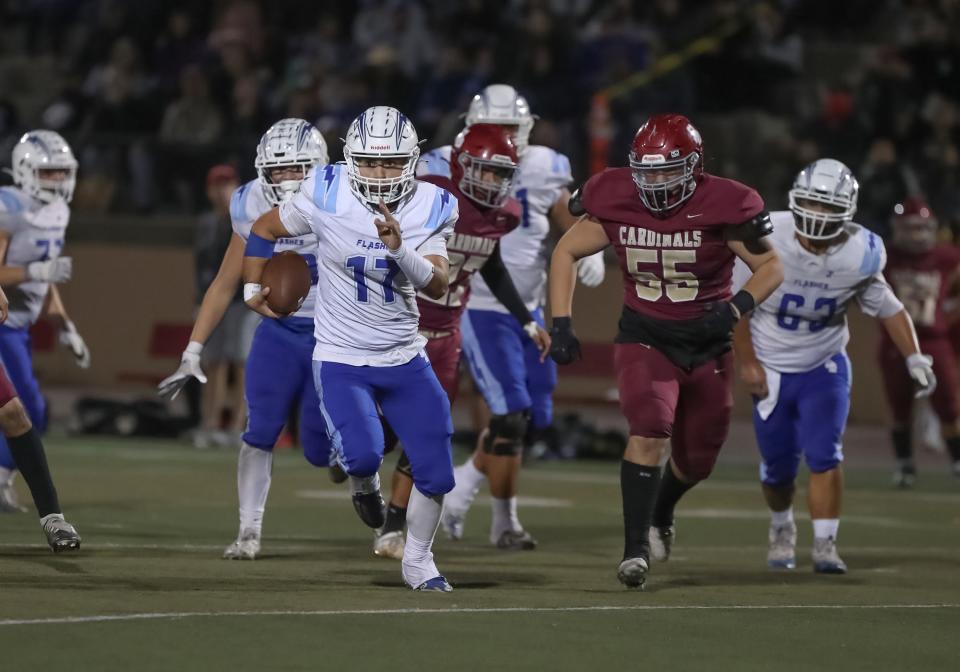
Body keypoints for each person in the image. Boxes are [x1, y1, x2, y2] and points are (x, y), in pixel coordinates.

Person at [549, 114, 784, 589]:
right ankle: (634, 550)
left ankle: (663, 508)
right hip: (646, 337)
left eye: (665, 171)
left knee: (698, 459)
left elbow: (771, 266)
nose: (654, 183)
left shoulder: (724, 203)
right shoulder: (614, 195)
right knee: (650, 428)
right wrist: (560, 322)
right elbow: (565, 252)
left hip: (708, 341)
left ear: (693, 167)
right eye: (646, 171)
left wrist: (736, 307)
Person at [243, 106, 458, 592]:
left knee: (437, 470)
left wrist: (401, 250)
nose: (379, 173)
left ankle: (419, 561)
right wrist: (251, 289)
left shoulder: (432, 203)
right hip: (341, 356)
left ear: (412, 160)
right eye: (367, 162)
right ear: (348, 159)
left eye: (390, 162)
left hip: (404, 355)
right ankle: (364, 482)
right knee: (361, 457)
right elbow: (263, 228)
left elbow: (439, 285)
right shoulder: (324, 190)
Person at [418, 84, 605, 549]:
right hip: (479, 303)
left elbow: (564, 212)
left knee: (532, 420)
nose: (503, 136)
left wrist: (588, 248)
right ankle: (493, 513)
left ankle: (480, 497)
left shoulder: (543, 165)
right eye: (494, 127)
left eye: (510, 128)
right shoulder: (443, 161)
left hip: (531, 305)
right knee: (512, 412)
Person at [733, 160, 936, 573]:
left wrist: (914, 355)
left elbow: (890, 308)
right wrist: (748, 362)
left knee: (826, 454)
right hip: (771, 365)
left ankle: (825, 544)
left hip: (824, 363)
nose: (819, 215)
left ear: (847, 210)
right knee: (778, 470)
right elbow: (734, 305)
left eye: (828, 207)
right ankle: (781, 525)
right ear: (796, 199)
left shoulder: (861, 251)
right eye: (812, 203)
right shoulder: (765, 234)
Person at [158, 119, 335, 560]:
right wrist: (192, 350)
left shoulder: (343, 196)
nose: (288, 179)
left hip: (336, 333)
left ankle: (362, 479)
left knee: (323, 449)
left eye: (298, 169)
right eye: (278, 170)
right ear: (262, 171)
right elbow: (223, 283)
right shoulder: (250, 202)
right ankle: (248, 530)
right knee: (259, 430)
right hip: (277, 329)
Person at [374, 124, 550, 559]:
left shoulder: (504, 214)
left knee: (427, 432)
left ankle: (392, 527)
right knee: (381, 438)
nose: (490, 182)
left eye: (498, 174)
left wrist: (527, 320)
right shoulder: (430, 194)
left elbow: (489, 265)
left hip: (447, 335)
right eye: (483, 172)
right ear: (462, 164)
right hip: (403, 327)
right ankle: (357, 465)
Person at [0, 130, 82, 550]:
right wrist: (34, 273)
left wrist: (65, 323)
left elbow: (47, 276)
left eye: (60, 172)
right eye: (46, 171)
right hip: (5, 324)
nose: (54, 180)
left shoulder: (58, 212)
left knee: (21, 412)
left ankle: (52, 517)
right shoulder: (9, 206)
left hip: (16, 323)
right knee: (25, 408)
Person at [878, 198, 960, 487]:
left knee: (949, 407)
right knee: (900, 407)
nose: (916, 235)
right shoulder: (883, 255)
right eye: (909, 229)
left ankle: (957, 462)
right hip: (895, 341)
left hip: (934, 339)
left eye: (921, 229)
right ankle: (904, 465)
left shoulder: (946, 256)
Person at [190, 164, 247, 449]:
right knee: (212, 362)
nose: (223, 191)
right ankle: (209, 422)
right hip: (211, 301)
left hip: (240, 302)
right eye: (217, 185)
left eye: (228, 184)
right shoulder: (206, 223)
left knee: (240, 362)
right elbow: (201, 266)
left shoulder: (243, 218)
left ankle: (238, 426)